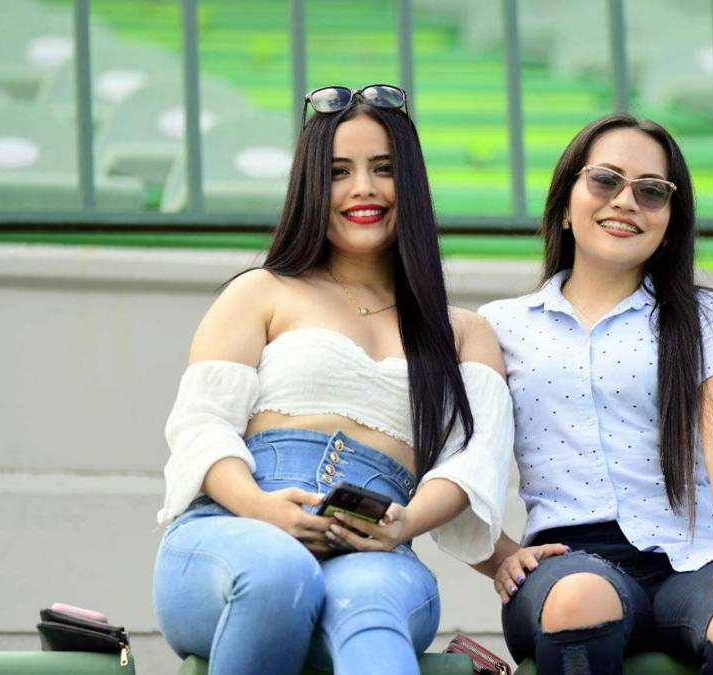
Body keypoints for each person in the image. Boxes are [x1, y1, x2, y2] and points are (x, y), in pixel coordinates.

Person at [152, 84, 513, 675]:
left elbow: (471, 466)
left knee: (369, 603)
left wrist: (406, 524)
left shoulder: (463, 332)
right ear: (310, 187)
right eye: (338, 171)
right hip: (233, 527)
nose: (363, 189)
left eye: (383, 169)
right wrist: (261, 508)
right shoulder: (261, 291)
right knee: (277, 571)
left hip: (377, 543)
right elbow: (200, 427)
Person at [475, 113, 713, 674]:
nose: (626, 201)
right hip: (566, 563)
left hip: (694, 560)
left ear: (670, 224)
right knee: (581, 598)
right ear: (566, 203)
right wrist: (499, 554)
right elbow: (459, 458)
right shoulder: (500, 326)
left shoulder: (706, 317)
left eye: (651, 191)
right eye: (605, 180)